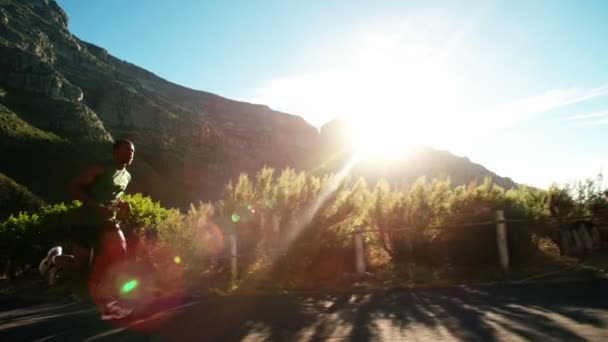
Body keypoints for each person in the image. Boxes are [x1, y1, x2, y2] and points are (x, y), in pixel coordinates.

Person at [67, 139, 135, 320]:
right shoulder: (100, 169)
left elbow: (113, 195)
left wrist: (123, 204)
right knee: (80, 263)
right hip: (86, 221)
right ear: (115, 152)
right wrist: (95, 206)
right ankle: (55, 263)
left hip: (108, 221)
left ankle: (113, 297)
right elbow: (74, 187)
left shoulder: (127, 176)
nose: (131, 154)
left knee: (120, 254)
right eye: (127, 150)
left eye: (133, 152)